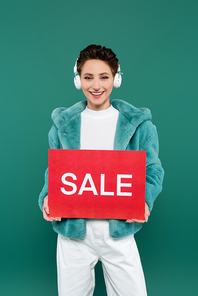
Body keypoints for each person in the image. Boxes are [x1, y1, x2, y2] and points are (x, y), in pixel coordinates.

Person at [39, 44, 164, 296]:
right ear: (78, 80)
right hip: (74, 232)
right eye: (88, 77)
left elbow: (153, 170)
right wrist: (48, 197)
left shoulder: (138, 125)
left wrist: (145, 201)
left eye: (104, 77)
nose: (96, 85)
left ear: (116, 78)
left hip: (118, 231)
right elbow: (55, 171)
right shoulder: (62, 125)